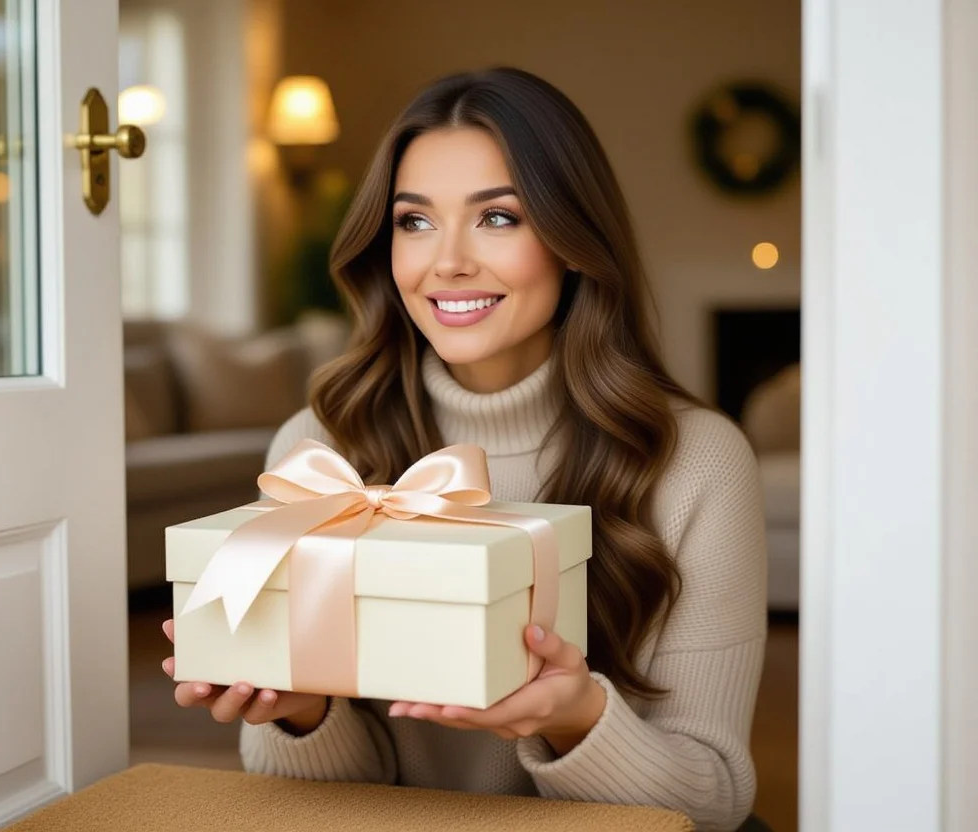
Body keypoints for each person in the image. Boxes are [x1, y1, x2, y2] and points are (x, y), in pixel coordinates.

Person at [161, 67, 768, 832]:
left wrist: (575, 716)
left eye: (499, 218)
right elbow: (320, 803)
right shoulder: (320, 448)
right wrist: (304, 715)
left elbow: (713, 800)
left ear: (575, 240)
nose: (446, 261)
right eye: (414, 222)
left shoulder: (695, 463)